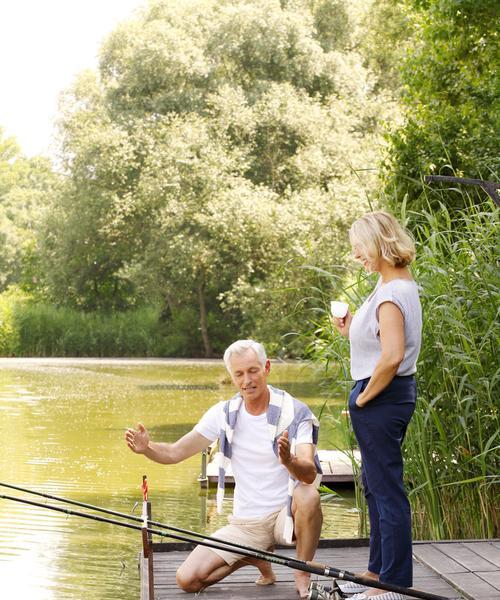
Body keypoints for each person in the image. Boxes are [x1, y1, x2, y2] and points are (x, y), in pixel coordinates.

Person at [125, 339, 323, 598]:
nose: (247, 380)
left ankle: (302, 573)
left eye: (253, 370)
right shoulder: (224, 413)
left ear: (267, 368)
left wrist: (289, 461)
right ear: (231, 377)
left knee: (308, 496)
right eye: (239, 374)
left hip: (287, 515)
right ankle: (254, 556)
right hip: (248, 523)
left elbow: (308, 474)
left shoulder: (294, 412)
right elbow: (175, 453)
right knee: (188, 580)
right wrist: (147, 448)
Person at [333, 211, 422, 600]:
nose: (357, 256)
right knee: (374, 485)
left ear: (378, 244)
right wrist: (351, 327)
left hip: (382, 395)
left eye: (360, 247)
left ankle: (394, 583)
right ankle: (377, 571)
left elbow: (391, 357)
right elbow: (377, 341)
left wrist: (365, 398)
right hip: (384, 394)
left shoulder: (390, 293)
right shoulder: (391, 286)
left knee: (386, 490)